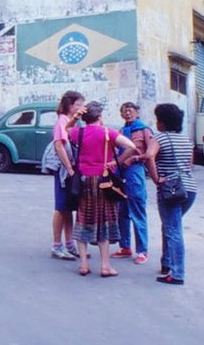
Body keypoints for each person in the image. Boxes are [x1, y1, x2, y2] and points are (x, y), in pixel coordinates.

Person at [68, 101, 137, 277]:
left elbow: (66, 130)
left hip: (84, 180)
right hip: (104, 180)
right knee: (105, 221)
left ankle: (84, 264)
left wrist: (75, 118)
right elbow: (132, 147)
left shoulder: (79, 132)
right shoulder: (108, 133)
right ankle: (105, 266)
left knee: (83, 219)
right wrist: (116, 162)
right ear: (99, 117)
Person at [144, 103, 197, 285]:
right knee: (170, 225)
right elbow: (189, 165)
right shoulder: (186, 140)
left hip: (170, 190)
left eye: (158, 119)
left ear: (163, 123)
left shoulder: (158, 138)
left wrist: (156, 178)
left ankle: (177, 273)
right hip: (189, 189)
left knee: (173, 230)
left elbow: (149, 156)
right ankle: (167, 263)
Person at [111, 102, 154, 264]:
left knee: (137, 210)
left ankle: (142, 250)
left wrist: (135, 158)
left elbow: (151, 153)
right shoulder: (122, 131)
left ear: (137, 112)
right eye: (124, 111)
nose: (127, 113)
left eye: (130, 110)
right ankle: (125, 247)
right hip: (121, 172)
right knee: (122, 211)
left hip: (135, 171)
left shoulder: (144, 130)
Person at [50, 90, 85, 261]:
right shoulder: (61, 122)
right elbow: (59, 146)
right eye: (78, 104)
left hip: (71, 168)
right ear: (69, 105)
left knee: (68, 208)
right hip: (65, 170)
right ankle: (57, 246)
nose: (80, 108)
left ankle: (69, 244)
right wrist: (70, 169)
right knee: (61, 207)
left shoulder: (72, 122)